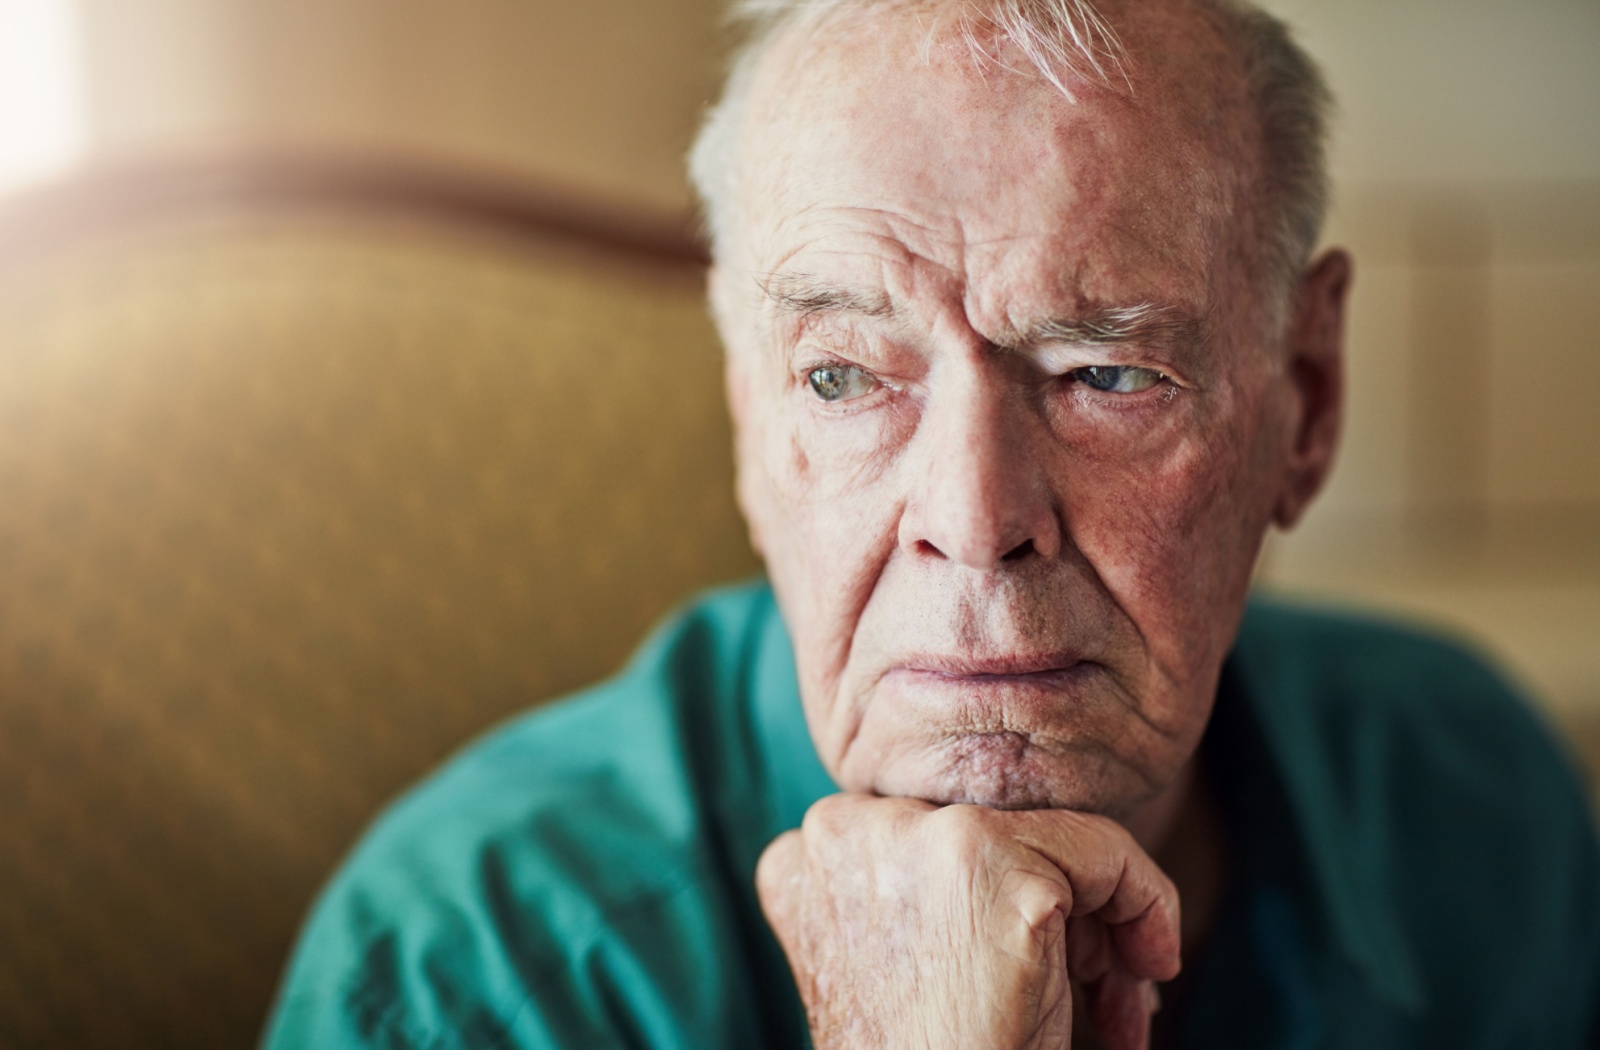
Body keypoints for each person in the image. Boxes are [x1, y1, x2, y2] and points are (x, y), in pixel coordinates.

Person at [262, 0, 1600, 1046]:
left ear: (1305, 403)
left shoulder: (1477, 811)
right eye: (844, 377)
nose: (973, 522)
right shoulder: (462, 983)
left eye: (1106, 373)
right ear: (751, 429)